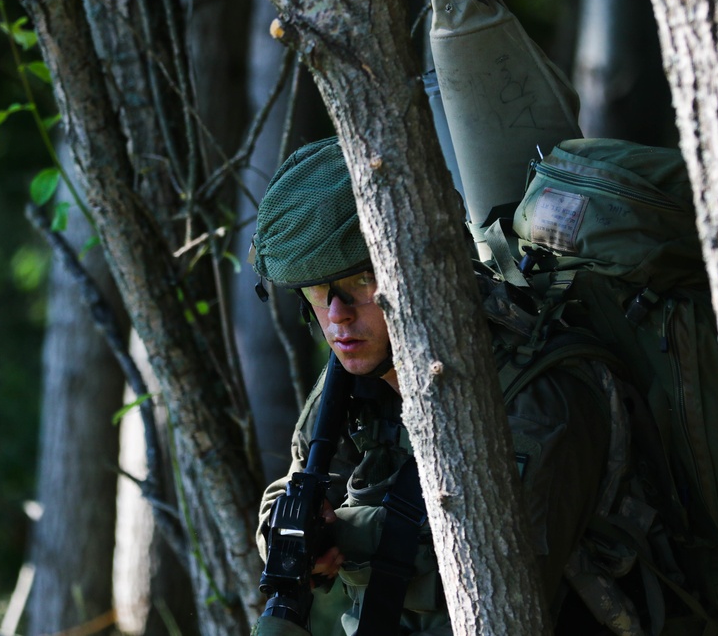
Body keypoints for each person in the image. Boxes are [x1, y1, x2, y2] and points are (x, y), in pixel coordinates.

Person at [249, 137, 616, 635]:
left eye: (360, 281)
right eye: (316, 292)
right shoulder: (359, 370)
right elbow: (295, 487)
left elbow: (493, 582)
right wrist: (290, 538)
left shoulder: (533, 396)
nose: (337, 318)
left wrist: (345, 537)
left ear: (418, 269)